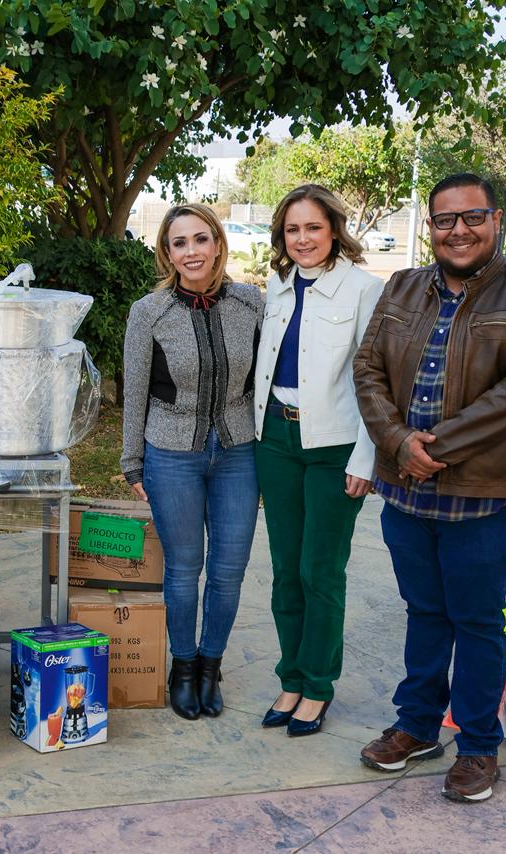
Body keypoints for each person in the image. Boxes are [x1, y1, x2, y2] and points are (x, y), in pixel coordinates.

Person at [353, 173, 506, 803]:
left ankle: (477, 745)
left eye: (471, 217)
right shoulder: (403, 286)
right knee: (424, 612)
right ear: (431, 227)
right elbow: (367, 369)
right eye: (444, 220)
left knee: (475, 620)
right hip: (407, 492)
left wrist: (433, 449)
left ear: (494, 220)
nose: (458, 231)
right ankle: (417, 725)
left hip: (486, 497)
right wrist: (396, 444)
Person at [121, 203, 263, 720]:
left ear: (219, 244)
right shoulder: (148, 312)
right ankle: (182, 667)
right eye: (179, 243)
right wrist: (132, 462)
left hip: (239, 451)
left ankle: (210, 666)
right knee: (184, 569)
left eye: (200, 240)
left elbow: (263, 382)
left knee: (228, 570)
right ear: (168, 253)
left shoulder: (252, 305)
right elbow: (134, 391)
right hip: (171, 453)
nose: (192, 252)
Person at [253, 185, 383, 737]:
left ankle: (318, 687)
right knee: (285, 571)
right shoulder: (276, 287)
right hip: (275, 440)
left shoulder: (364, 289)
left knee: (319, 571)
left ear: (334, 229)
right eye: (292, 230)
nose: (302, 239)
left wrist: (367, 457)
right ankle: (291, 677)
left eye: (312, 227)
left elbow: (379, 380)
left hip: (334, 447)